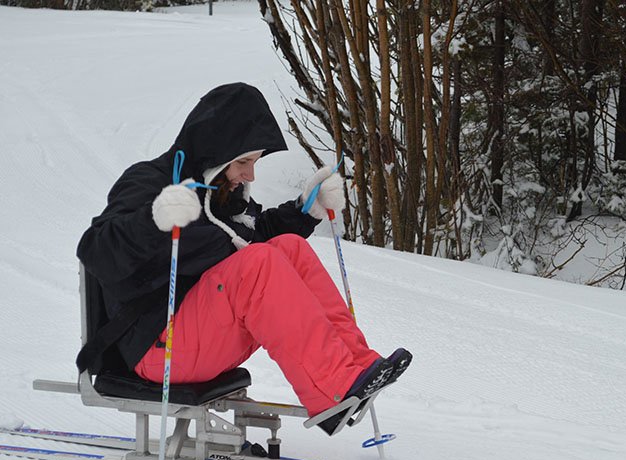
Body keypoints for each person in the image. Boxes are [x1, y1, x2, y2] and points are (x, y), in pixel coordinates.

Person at [77, 82, 411, 435]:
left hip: (207, 336)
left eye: (253, 162)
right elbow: (96, 249)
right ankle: (333, 389)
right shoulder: (150, 181)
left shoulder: (221, 192)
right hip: (160, 347)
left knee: (288, 249)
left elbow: (250, 238)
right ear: (215, 153)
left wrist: (306, 211)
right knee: (259, 264)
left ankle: (356, 368)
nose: (250, 175)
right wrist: (153, 221)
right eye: (243, 162)